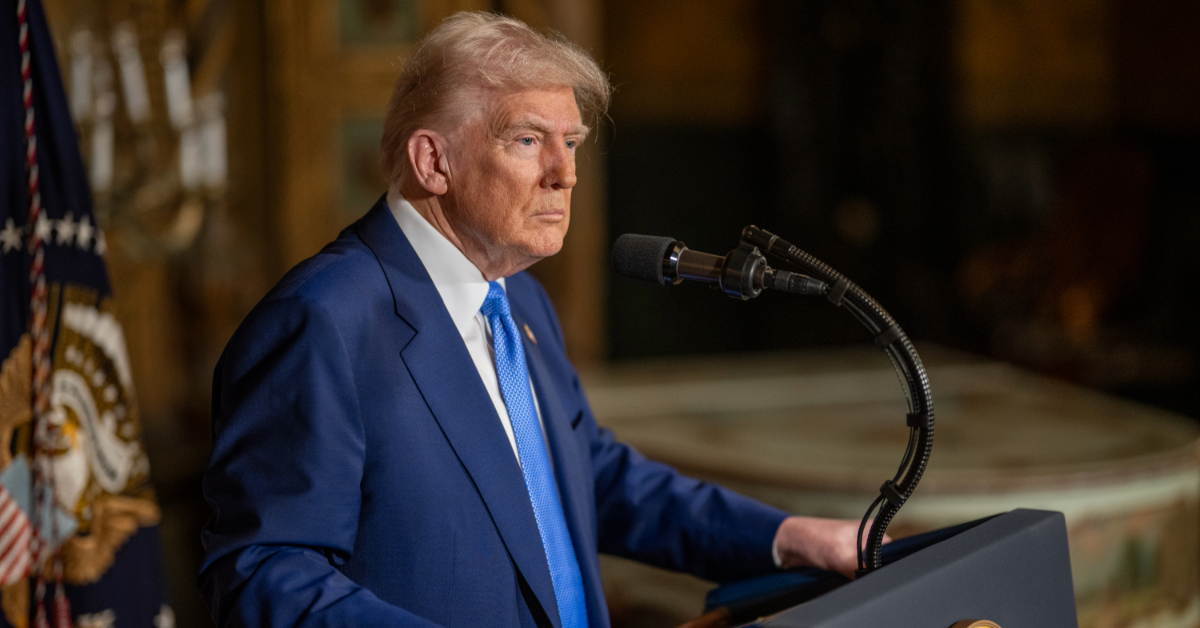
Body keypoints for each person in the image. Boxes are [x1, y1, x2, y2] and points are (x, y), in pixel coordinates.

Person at [198, 12, 866, 628]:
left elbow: (589, 477)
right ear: (433, 161)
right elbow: (264, 573)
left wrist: (782, 539)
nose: (565, 173)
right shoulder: (322, 320)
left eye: (571, 142)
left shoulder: (518, 300)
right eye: (528, 140)